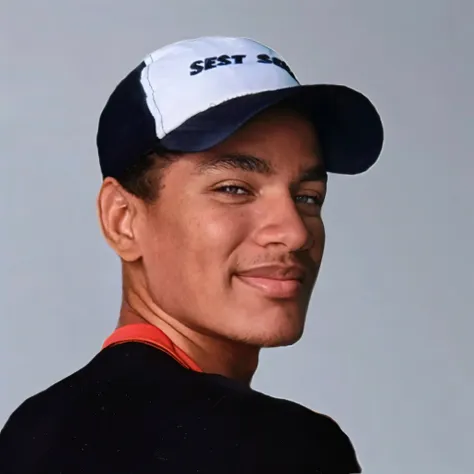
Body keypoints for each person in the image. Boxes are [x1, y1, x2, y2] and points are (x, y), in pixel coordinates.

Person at [0, 36, 383, 473]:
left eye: (309, 197)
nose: (295, 233)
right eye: (234, 189)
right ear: (122, 218)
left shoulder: (29, 433)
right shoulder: (286, 447)